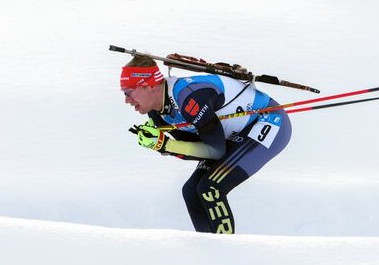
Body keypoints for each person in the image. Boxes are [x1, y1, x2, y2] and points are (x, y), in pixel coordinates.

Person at [120, 55, 292, 234]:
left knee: (210, 188)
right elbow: (197, 147)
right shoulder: (156, 113)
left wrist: (165, 145)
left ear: (149, 86)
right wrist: (164, 146)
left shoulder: (188, 97)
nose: (126, 100)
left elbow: (215, 151)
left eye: (128, 92)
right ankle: (209, 250)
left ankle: (228, 251)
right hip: (233, 134)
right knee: (191, 191)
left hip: (268, 120)